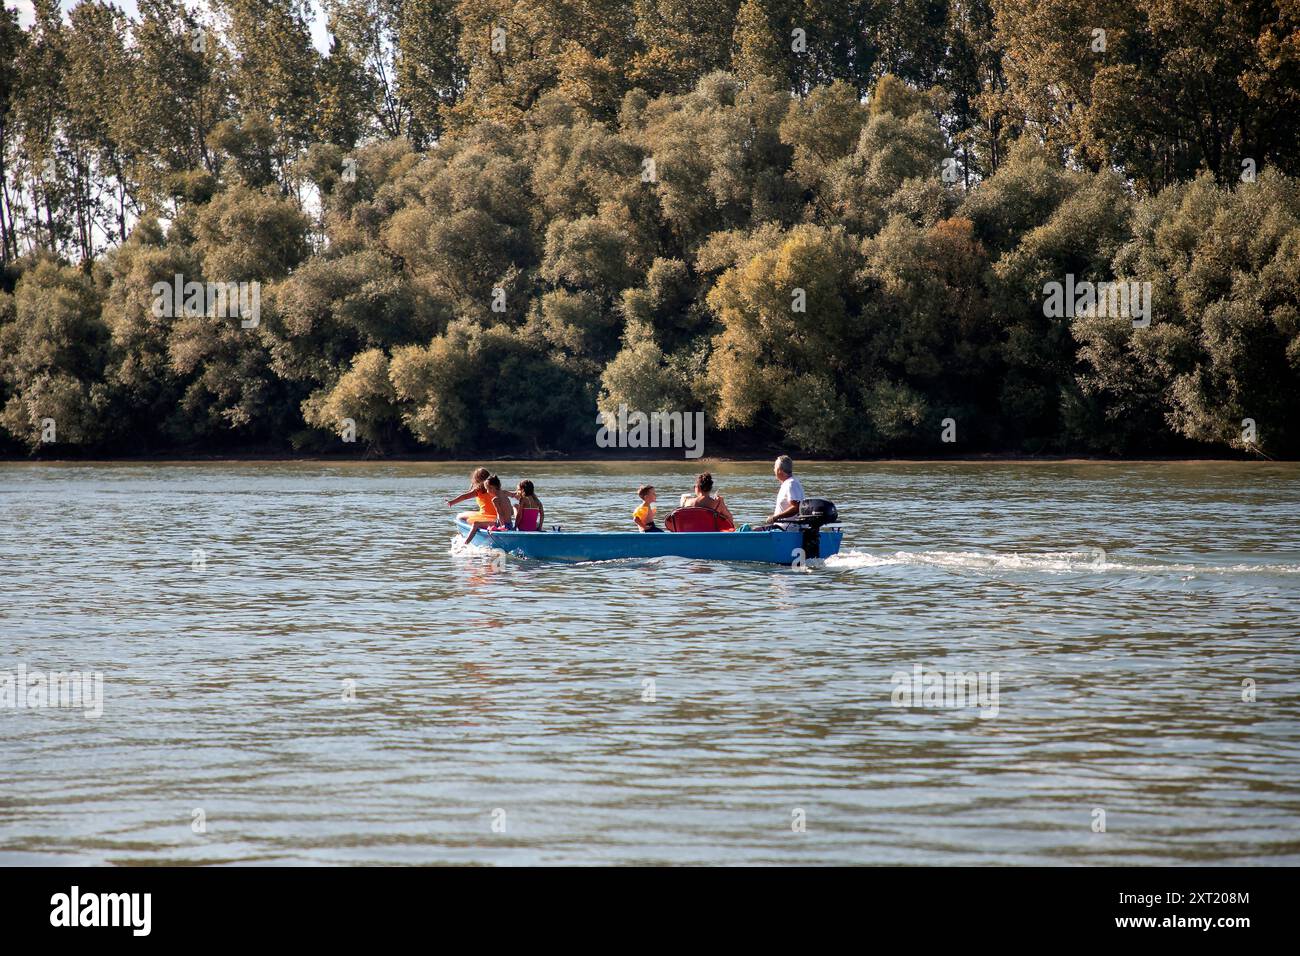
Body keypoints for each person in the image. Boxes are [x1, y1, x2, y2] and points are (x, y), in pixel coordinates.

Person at [463, 475, 514, 543]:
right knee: (487, 523)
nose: (487, 491)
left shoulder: (495, 500)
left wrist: (502, 527)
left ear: (492, 488)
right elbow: (512, 512)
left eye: (487, 489)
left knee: (476, 524)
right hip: (510, 524)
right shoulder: (506, 496)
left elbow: (500, 514)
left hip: (503, 525)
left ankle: (466, 543)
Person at [761, 454, 805, 528]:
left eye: (774, 467)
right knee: (752, 530)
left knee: (752, 532)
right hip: (781, 527)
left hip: (788, 529)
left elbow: (796, 507)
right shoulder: (787, 483)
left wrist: (775, 517)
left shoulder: (791, 483)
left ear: (779, 470)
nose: (773, 470)